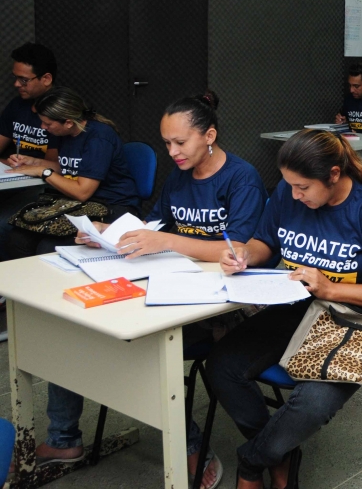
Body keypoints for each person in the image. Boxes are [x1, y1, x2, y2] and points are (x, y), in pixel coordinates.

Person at [39, 91, 267, 487]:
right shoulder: (180, 175)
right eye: (166, 143)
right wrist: (109, 234)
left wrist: (168, 242)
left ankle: (189, 445)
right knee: (74, 326)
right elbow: (155, 225)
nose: (172, 152)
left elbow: (239, 250)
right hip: (171, 282)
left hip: (220, 301)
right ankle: (63, 438)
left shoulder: (241, 178)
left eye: (180, 142)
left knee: (143, 350)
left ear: (209, 135)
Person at [205, 130, 362, 489]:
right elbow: (265, 242)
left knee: (312, 403)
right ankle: (278, 452)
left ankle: (253, 460)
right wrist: (245, 255)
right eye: (290, 185)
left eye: (302, 187)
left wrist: (331, 288)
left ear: (333, 175)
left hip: (353, 320)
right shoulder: (288, 192)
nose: (294, 195)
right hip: (296, 307)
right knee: (222, 366)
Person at [6, 87, 139, 258]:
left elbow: (82, 192)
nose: (43, 127)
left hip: (111, 205)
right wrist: (34, 162)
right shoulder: (66, 133)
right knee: (17, 239)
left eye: (48, 124)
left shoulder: (98, 138)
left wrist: (44, 172)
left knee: (49, 247)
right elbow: (69, 167)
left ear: (68, 122)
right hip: (80, 205)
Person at [0, 43, 58, 256]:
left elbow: (55, 165)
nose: (17, 84)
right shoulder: (17, 106)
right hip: (12, 181)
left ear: (46, 79)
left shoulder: (58, 113)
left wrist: (29, 164)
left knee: (3, 223)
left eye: (24, 80)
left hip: (42, 187)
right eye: (16, 78)